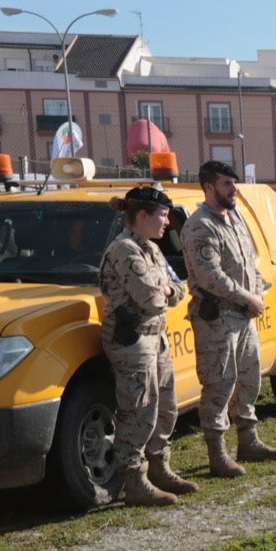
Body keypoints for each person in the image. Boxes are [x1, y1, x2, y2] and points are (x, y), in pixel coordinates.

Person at [180, 159, 276, 477]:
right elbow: (210, 276)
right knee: (218, 384)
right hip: (217, 318)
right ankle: (217, 453)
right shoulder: (199, 226)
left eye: (234, 182)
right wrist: (247, 297)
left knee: (248, 379)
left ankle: (248, 441)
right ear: (209, 187)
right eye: (227, 183)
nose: (234, 188)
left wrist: (259, 293)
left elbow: (248, 259)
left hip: (242, 315)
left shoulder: (235, 216)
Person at [98, 186, 199, 507]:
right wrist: (165, 290)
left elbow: (178, 288)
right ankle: (134, 479)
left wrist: (166, 289)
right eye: (163, 216)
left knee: (166, 405)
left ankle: (159, 467)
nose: (168, 223)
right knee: (139, 408)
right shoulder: (124, 250)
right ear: (142, 216)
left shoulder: (151, 250)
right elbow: (153, 299)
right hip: (132, 339)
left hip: (156, 336)